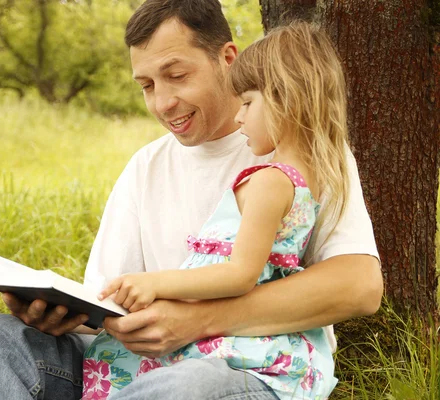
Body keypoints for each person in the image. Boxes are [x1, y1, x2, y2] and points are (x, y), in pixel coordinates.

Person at [0, 1, 383, 399]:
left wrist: (199, 321)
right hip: (137, 368)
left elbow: (359, 287)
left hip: (234, 370)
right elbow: (105, 305)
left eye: (176, 75)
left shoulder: (302, 154)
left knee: (184, 386)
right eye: (147, 85)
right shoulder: (145, 167)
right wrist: (60, 312)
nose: (163, 102)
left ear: (228, 59)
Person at [83, 22, 350, 400]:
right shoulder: (315, 173)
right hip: (224, 349)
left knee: (175, 382)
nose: (240, 117)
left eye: (247, 104)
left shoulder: (271, 180)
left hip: (237, 357)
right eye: (147, 86)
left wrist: (154, 283)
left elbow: (240, 274)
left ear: (284, 100)